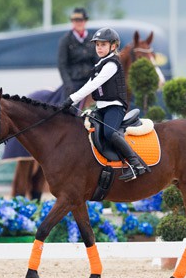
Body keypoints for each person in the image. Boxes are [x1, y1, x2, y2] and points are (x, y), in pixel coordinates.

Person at [61, 27, 149, 182]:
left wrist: (71, 99)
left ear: (113, 46)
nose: (99, 48)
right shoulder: (100, 64)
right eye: (97, 45)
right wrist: (71, 99)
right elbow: (87, 85)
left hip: (115, 107)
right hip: (101, 108)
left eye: (103, 44)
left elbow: (93, 85)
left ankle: (136, 164)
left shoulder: (111, 65)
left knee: (109, 133)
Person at [58, 7, 99, 101]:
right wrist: (68, 84)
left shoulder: (92, 39)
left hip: (90, 80)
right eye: (75, 20)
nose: (78, 23)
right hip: (74, 81)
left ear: (85, 21)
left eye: (80, 20)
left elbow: (96, 60)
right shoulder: (65, 40)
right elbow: (62, 65)